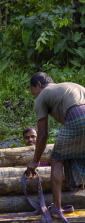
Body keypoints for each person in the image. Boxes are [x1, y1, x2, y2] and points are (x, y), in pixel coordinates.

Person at [26, 72, 85, 214]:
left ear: (39, 85)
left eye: (34, 93)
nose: (36, 96)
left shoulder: (43, 95)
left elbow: (42, 134)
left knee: (57, 159)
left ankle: (57, 208)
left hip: (77, 117)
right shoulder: (72, 86)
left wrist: (35, 161)